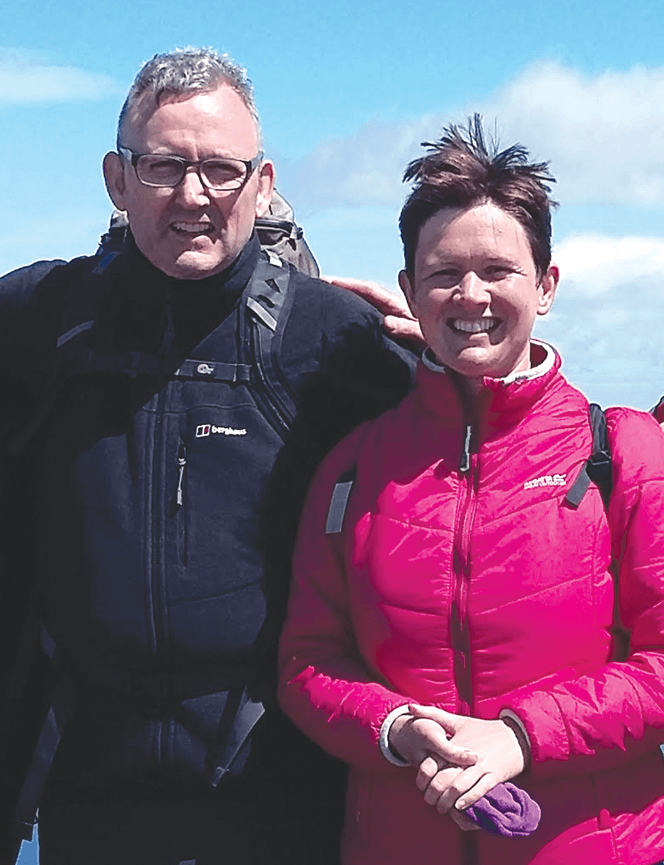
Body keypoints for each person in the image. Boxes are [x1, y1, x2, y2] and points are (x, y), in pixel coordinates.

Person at [0, 48, 415, 865]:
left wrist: (451, 346)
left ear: (261, 185)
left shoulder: (330, 337)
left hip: (277, 783)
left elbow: (489, 458)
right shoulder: (42, 318)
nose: (194, 197)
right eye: (163, 167)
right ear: (118, 181)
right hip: (89, 787)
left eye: (220, 169)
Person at [278, 117, 664, 865]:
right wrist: (392, 726)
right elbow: (306, 661)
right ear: (409, 292)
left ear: (547, 286)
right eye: (445, 272)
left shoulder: (623, 453)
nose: (471, 294)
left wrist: (520, 736)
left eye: (498, 270)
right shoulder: (354, 467)